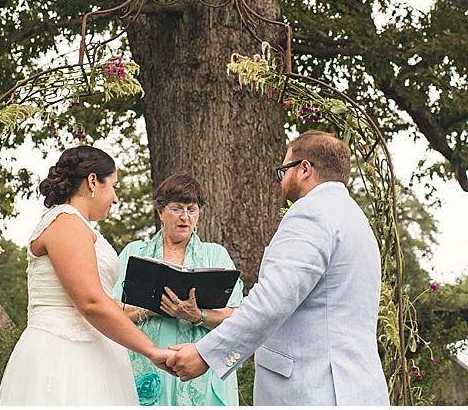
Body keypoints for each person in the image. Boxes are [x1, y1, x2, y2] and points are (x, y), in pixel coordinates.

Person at [167, 130, 390, 406]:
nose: (282, 179)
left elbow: (273, 300)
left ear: (304, 169)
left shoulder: (311, 213)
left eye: (285, 170)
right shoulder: (356, 219)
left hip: (313, 390)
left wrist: (206, 354)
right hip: (357, 390)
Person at [0, 146, 173, 405]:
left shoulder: (77, 225)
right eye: (113, 186)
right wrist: (152, 351)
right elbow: (90, 303)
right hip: (64, 356)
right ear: (92, 181)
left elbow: (101, 300)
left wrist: (154, 306)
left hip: (92, 353)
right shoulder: (66, 221)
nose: (115, 198)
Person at [112, 174, 244, 406]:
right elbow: (111, 312)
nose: (185, 217)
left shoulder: (216, 255)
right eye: (176, 209)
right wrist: (150, 309)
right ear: (160, 211)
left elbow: (237, 317)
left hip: (199, 365)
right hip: (148, 361)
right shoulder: (134, 253)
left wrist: (197, 315)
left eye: (192, 209)